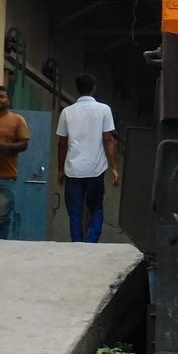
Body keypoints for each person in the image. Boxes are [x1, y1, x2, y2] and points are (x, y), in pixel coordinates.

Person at [56, 74, 120, 243]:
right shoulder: (104, 110)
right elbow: (108, 139)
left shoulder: (66, 112)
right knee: (96, 208)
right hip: (95, 169)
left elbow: (62, 144)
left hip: (73, 170)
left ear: (77, 90)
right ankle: (91, 242)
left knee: (75, 212)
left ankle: (77, 244)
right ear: (94, 88)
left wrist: (60, 169)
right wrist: (114, 166)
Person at [0, 85, 30, 239]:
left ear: (8, 100)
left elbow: (24, 144)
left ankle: (1, 249)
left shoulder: (17, 120)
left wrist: (7, 147)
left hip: (6, 178)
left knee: (1, 217)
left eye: (2, 96)